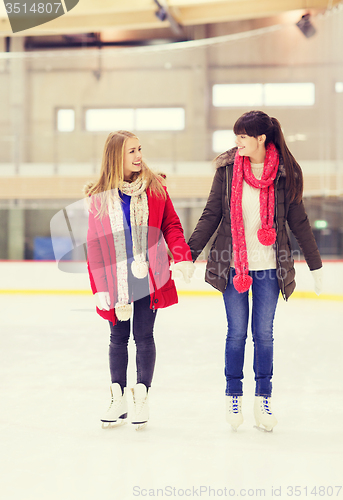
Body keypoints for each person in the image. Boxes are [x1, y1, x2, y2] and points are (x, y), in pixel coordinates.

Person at [188, 111, 323, 432]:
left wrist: (315, 264)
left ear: (262, 138)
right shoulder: (227, 169)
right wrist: (187, 254)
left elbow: (298, 221)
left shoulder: (284, 173)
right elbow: (211, 214)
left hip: (270, 269)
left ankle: (263, 399)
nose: (238, 142)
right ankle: (233, 395)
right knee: (236, 333)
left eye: (243, 136)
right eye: (237, 136)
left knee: (263, 335)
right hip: (233, 266)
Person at [84, 130, 194, 429]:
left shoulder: (155, 187)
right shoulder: (99, 196)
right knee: (118, 338)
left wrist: (181, 254)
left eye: (139, 149)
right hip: (115, 278)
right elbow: (94, 244)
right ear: (116, 157)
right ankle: (117, 396)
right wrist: (98, 288)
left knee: (144, 336)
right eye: (131, 151)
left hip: (149, 274)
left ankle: (142, 396)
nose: (138, 156)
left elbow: (171, 224)